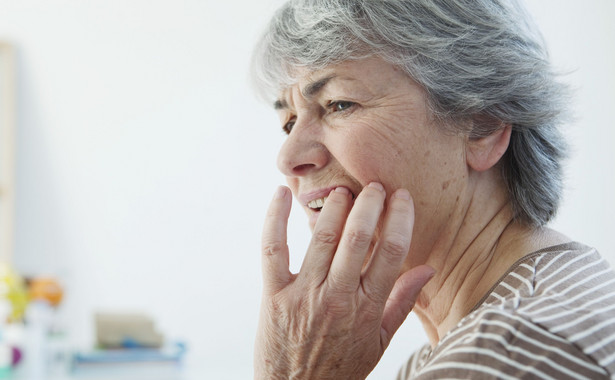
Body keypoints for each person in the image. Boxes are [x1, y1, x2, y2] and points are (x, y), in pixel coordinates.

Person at [250, 1, 615, 379]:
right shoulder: (502, 327)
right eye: (288, 122)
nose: (288, 157)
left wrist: (299, 372)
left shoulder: (506, 354)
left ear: (482, 126)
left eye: (339, 104)